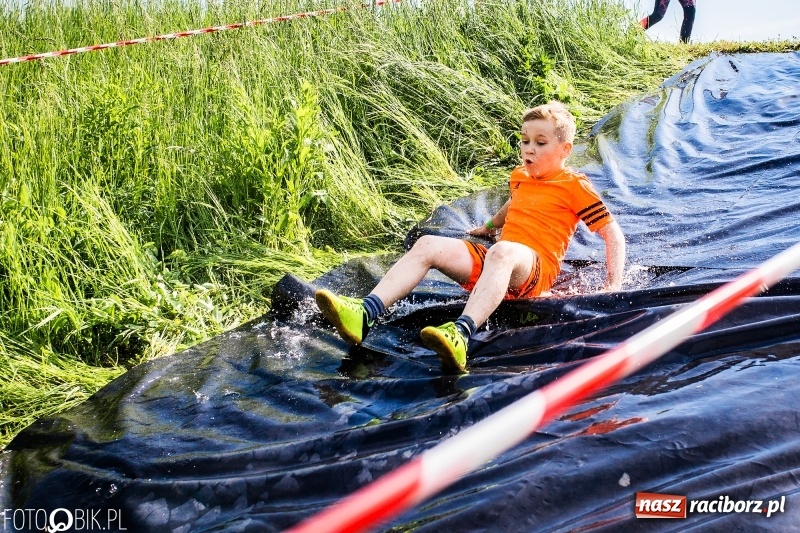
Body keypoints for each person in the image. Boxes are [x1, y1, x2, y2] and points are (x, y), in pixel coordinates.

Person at [315, 101, 626, 374]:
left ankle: (460, 335)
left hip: (534, 269)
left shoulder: (574, 185)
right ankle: (365, 313)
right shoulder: (520, 176)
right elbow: (513, 203)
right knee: (427, 245)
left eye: (540, 143)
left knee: (502, 251)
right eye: (525, 140)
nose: (529, 149)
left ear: (564, 150)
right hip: (498, 261)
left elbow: (613, 234)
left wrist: (613, 284)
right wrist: (488, 226)